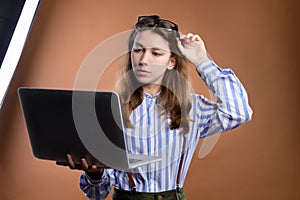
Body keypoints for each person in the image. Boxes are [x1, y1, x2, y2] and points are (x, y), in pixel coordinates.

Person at [59, 15, 253, 199]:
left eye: (156, 53)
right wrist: (95, 175)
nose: (143, 60)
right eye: (138, 50)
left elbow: (238, 111)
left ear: (171, 62)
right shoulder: (110, 109)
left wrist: (202, 61)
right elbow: (97, 194)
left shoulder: (192, 108)